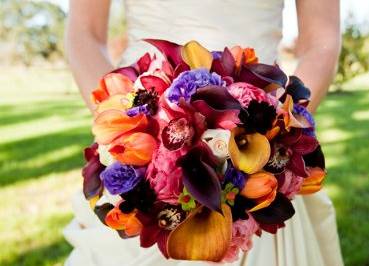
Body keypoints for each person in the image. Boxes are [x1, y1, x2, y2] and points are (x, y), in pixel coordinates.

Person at [64, 0, 343, 265]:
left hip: (260, 132)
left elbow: (321, 42)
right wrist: (121, 126)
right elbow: (84, 33)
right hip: (143, 122)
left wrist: (279, 130)